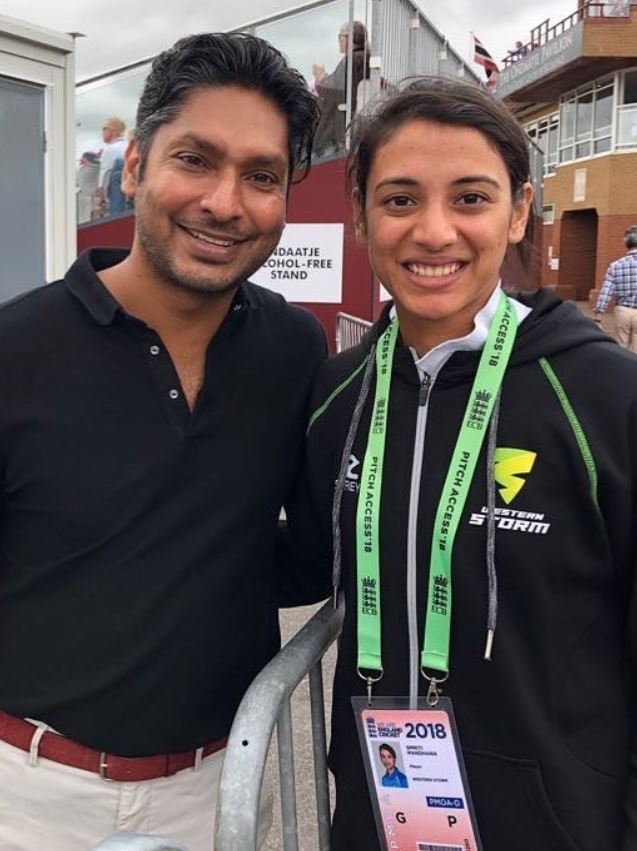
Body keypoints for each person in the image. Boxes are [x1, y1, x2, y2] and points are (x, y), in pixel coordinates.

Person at [0, 32, 325, 851]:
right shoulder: (15, 351)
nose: (224, 202)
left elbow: (309, 549)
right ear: (137, 165)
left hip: (215, 791)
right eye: (196, 160)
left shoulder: (293, 352)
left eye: (261, 176)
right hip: (26, 793)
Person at [300, 77, 637, 850]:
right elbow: (296, 559)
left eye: (470, 198)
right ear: (361, 217)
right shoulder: (336, 393)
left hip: (554, 821)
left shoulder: (605, 395)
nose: (433, 231)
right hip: (382, 808)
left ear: (517, 212)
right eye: (399, 200)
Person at [313, 20, 370, 157]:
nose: (338, 40)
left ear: (348, 38)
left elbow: (335, 90)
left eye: (340, 36)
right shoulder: (364, 58)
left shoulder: (352, 60)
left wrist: (320, 78)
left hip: (338, 131)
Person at [593, 225, 637, 352]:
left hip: (622, 310)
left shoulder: (616, 266)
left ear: (626, 243)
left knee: (622, 348)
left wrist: (598, 316)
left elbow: (606, 292)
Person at [99, 116, 128, 215]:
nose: (102, 133)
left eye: (104, 129)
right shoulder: (129, 146)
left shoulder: (109, 149)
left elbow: (105, 175)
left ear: (112, 132)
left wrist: (102, 197)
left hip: (116, 198)